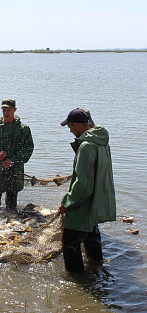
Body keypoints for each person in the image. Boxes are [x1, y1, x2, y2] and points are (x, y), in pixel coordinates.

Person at [57, 108, 116, 272]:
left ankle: (78, 281)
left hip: (84, 203)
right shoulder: (101, 140)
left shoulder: (86, 146)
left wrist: (67, 204)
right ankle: (97, 268)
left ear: (76, 125)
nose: (69, 130)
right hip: (96, 201)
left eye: (69, 127)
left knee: (70, 242)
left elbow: (83, 185)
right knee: (92, 236)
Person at [0, 99, 34, 211]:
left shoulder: (23, 129)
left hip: (15, 171)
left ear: (14, 110)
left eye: (8, 110)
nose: (6, 113)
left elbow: (28, 150)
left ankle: (11, 222)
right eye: (4, 110)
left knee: (11, 206)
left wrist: (12, 160)